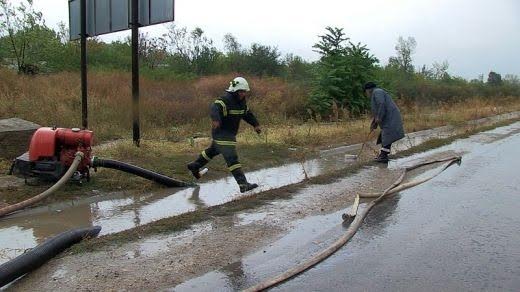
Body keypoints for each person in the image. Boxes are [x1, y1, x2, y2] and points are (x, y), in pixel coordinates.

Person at [187, 77, 261, 193]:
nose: (242, 94)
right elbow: (214, 108)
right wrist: (215, 119)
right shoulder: (225, 100)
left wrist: (255, 125)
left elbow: (247, 114)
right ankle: (243, 184)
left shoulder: (241, 103)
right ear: (234, 91)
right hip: (223, 134)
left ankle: (195, 165)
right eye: (240, 91)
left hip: (228, 135)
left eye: (244, 92)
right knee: (232, 159)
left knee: (213, 151)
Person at [364, 82, 405, 163]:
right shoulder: (376, 93)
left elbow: (381, 104)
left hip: (391, 118)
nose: (366, 94)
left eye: (365, 92)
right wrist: (374, 123)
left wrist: (379, 117)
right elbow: (377, 111)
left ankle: (383, 156)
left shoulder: (377, 92)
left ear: (368, 90)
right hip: (388, 119)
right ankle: (383, 155)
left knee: (386, 136)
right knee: (384, 137)